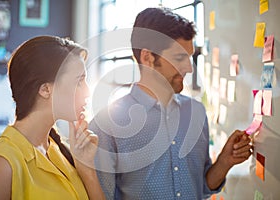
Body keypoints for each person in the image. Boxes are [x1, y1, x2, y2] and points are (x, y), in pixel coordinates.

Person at [89, 7, 253, 199]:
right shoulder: (107, 124)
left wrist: (225, 161)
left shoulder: (196, 112)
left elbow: (201, 186)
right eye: (179, 58)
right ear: (148, 57)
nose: (189, 69)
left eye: (190, 57)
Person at [0, 36, 105, 200]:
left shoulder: (59, 150)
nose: (87, 92)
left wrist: (87, 168)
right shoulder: (1, 166)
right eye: (79, 81)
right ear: (45, 89)